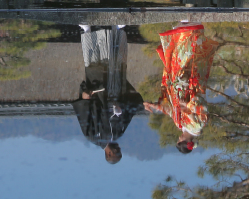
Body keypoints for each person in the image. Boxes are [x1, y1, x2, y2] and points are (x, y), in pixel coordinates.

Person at [143, 21, 219, 154]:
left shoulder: (180, 125)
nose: (179, 137)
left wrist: (154, 105)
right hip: (189, 86)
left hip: (176, 85)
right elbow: (203, 106)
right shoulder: (198, 126)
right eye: (180, 140)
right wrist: (188, 105)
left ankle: (179, 30)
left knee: (176, 58)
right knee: (188, 57)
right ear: (185, 141)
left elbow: (170, 109)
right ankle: (190, 29)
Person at [72, 25, 143, 164]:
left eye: (116, 152)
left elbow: (84, 115)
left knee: (93, 61)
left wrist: (84, 98)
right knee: (116, 61)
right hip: (115, 91)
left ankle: (87, 31)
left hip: (99, 94)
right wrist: (136, 106)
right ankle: (117, 30)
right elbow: (128, 113)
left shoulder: (93, 136)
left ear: (108, 154)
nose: (118, 148)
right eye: (120, 151)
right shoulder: (119, 132)